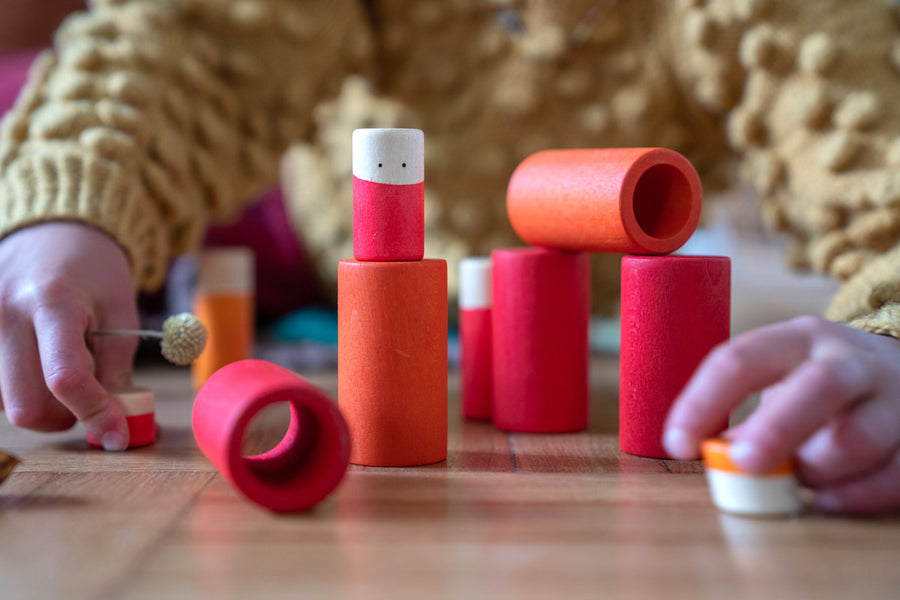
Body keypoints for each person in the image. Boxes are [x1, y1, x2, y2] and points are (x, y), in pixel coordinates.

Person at [0, 0, 898, 515]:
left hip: (531, 296)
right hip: (302, 240)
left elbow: (875, 161)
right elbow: (187, 44)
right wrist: (69, 206)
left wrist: (889, 329)